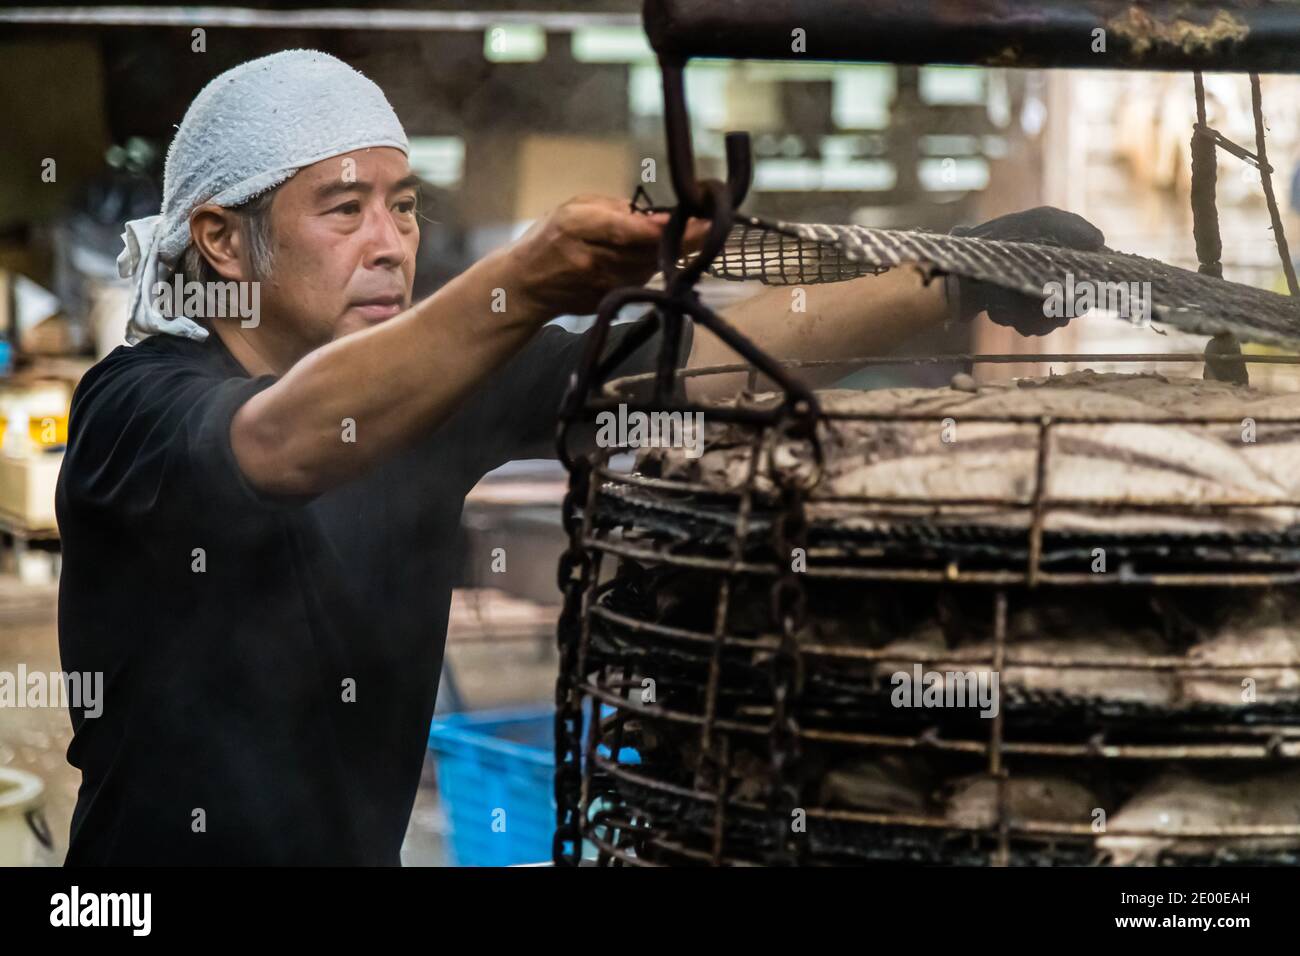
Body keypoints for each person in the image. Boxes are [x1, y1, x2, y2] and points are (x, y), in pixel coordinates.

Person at [56, 50, 1102, 864]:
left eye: (405, 204)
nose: (390, 241)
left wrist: (958, 273)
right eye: (343, 209)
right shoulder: (133, 410)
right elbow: (281, 442)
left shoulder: (431, 397)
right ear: (224, 242)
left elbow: (687, 360)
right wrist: (523, 278)